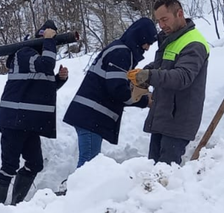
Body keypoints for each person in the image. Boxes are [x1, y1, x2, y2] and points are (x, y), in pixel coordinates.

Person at [0, 20, 69, 205]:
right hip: (14, 121)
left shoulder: (38, 60)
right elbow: (46, 65)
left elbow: (39, 91)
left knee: (35, 164)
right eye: (50, 38)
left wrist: (59, 80)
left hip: (28, 123)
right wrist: (49, 41)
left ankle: (16, 205)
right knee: (9, 167)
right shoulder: (25, 53)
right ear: (41, 37)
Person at [63, 18, 157, 168]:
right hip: (91, 116)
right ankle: (76, 191)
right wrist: (144, 101)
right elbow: (118, 90)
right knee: (88, 166)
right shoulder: (121, 53)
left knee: (88, 165)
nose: (147, 48)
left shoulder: (119, 50)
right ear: (140, 37)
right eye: (148, 42)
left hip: (89, 114)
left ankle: (77, 189)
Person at [128, 0, 210, 165]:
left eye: (165, 19)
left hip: (179, 120)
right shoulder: (171, 39)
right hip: (163, 115)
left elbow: (182, 77)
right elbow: (162, 67)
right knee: (153, 171)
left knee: (165, 175)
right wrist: (141, 73)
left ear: (179, 14)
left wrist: (149, 76)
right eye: (158, 21)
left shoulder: (194, 43)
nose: (161, 25)